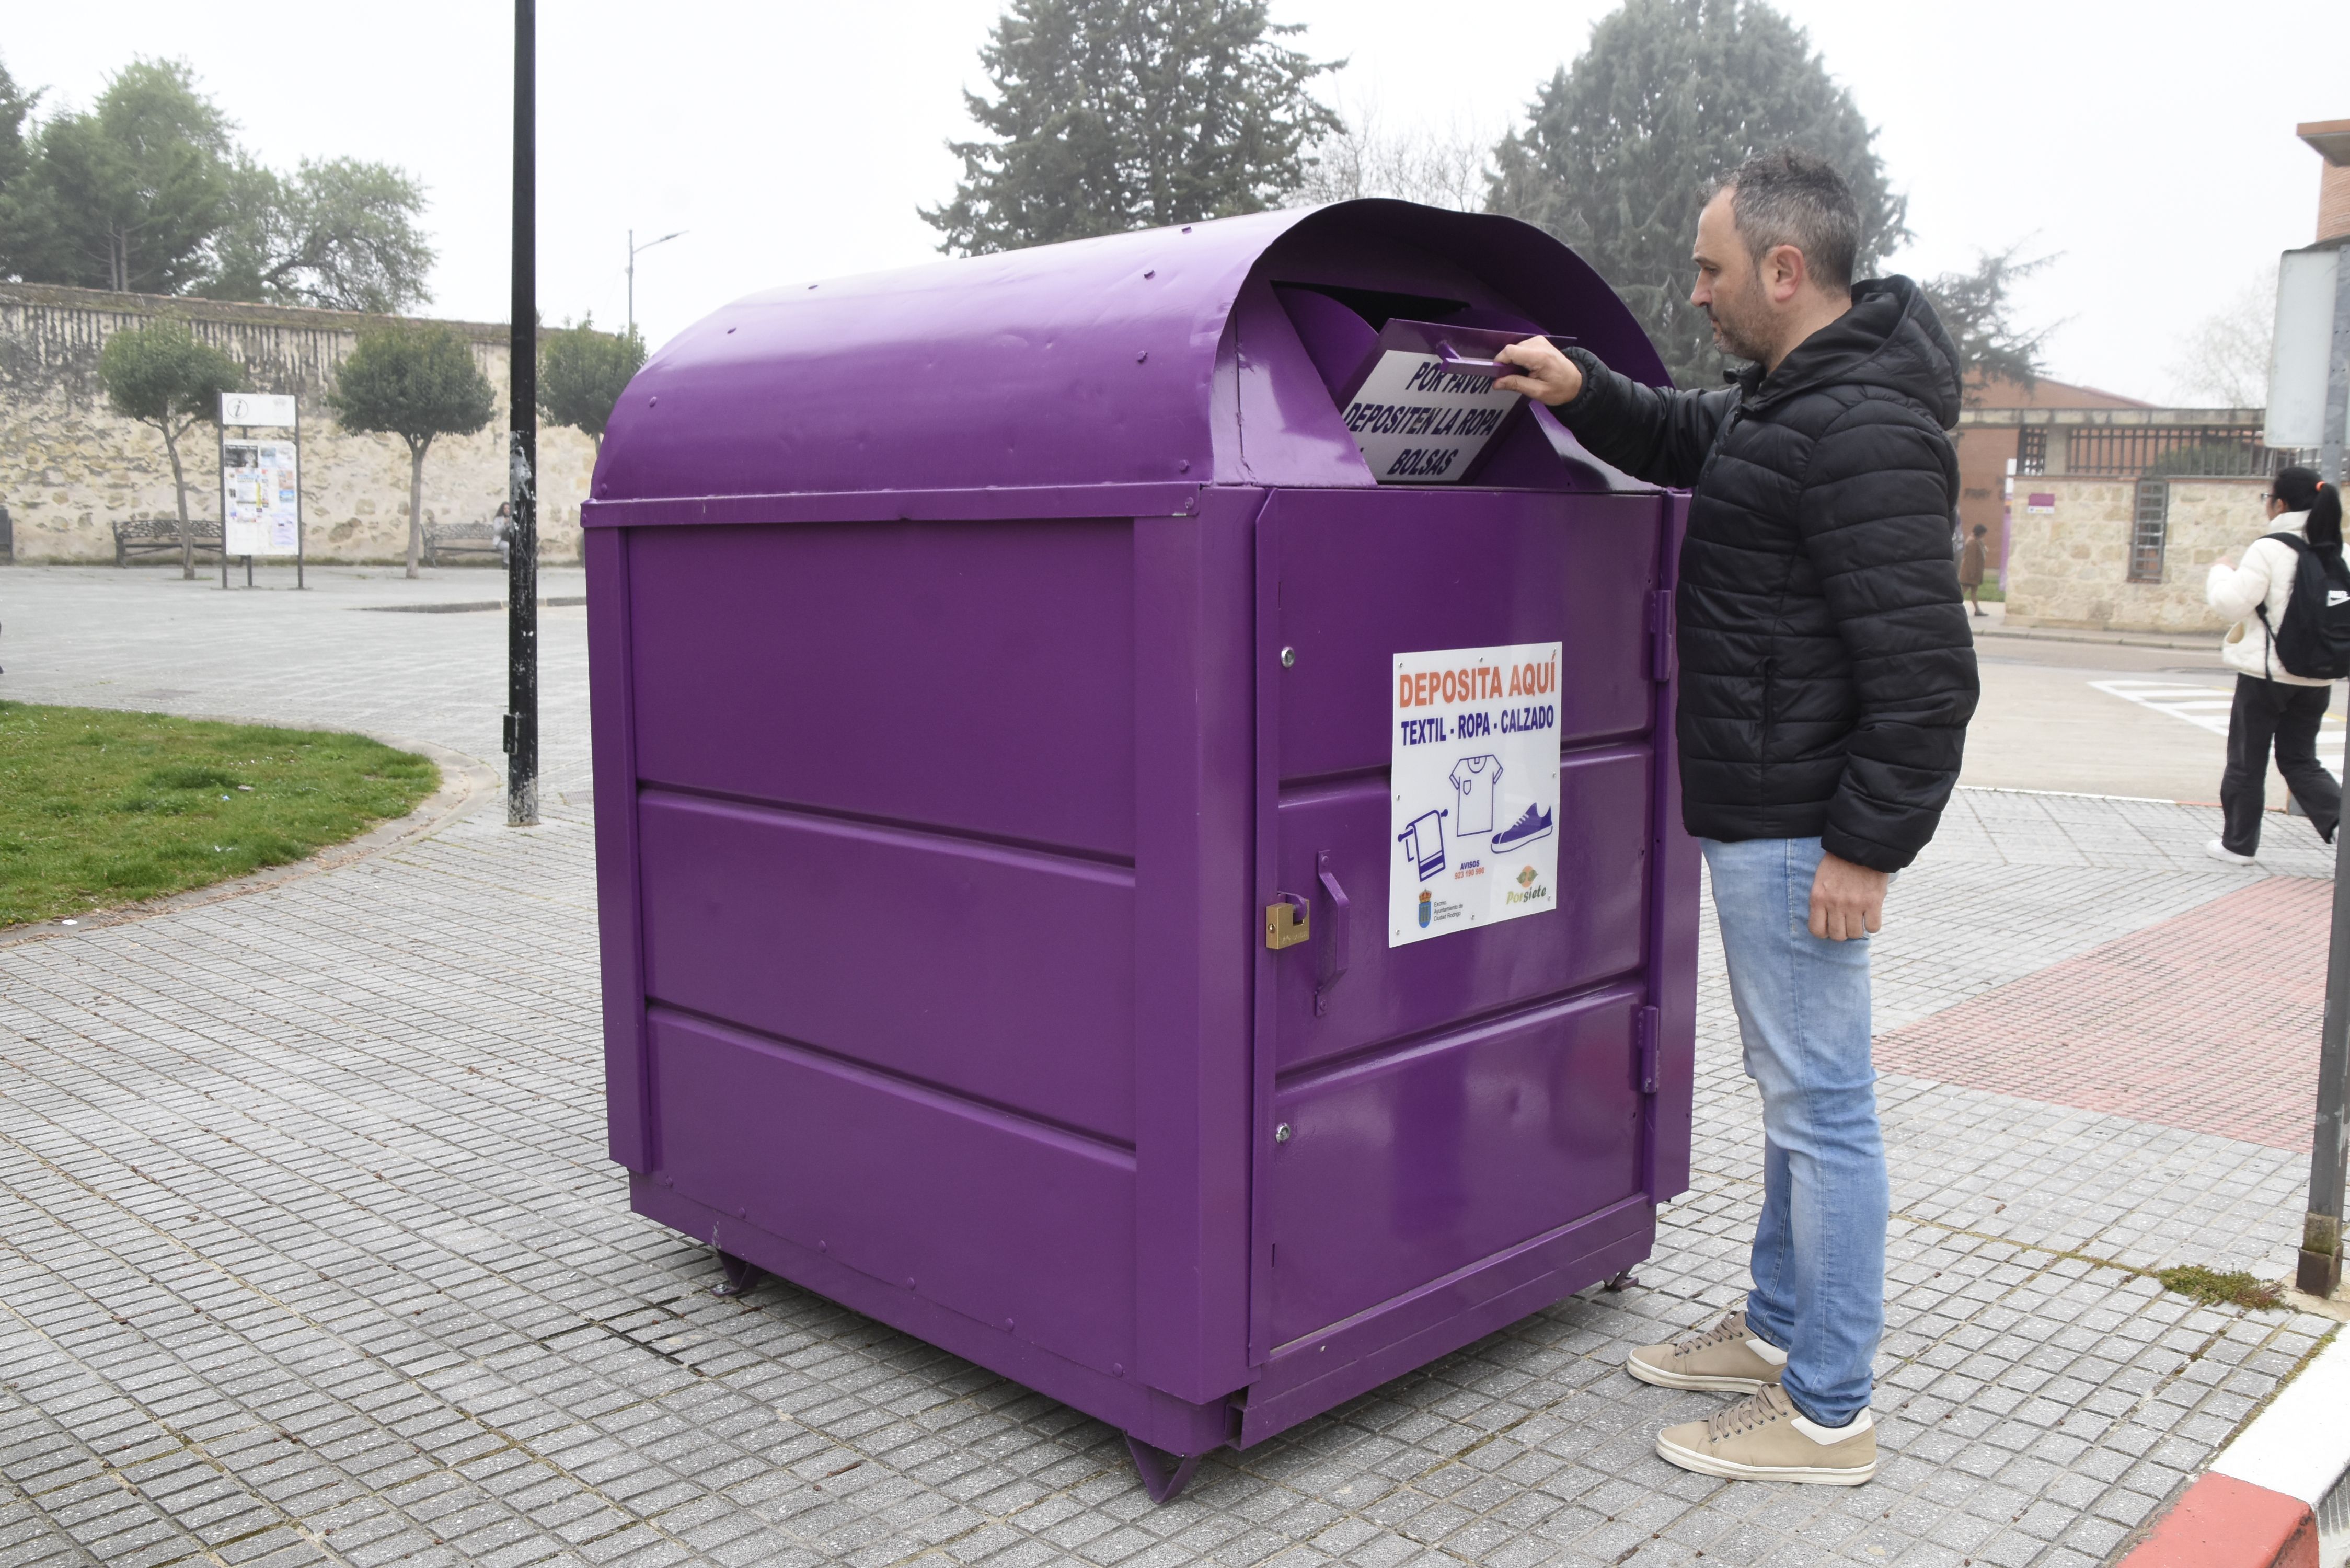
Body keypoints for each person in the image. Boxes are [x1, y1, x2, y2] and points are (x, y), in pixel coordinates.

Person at [1495, 148, 1978, 1487]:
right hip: (1763, 814)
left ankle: (1826, 1410)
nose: (1694, 290)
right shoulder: (1792, 402)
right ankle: (1773, 1329)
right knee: (1793, 1096)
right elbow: (1687, 437)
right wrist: (1581, 388)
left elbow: (1930, 675)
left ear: (1782, 269)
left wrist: (1865, 846)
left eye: (1711, 269)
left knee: (1824, 1108)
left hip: (1800, 832)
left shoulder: (1863, 428)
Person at [2203, 466, 2345, 864]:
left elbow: (2231, 603)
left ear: (2280, 504)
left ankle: (2238, 845)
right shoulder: (2339, 550)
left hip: (2266, 675)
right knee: (2301, 759)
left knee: (2248, 759)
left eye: (2268, 498)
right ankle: (2340, 829)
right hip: (2318, 677)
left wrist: (2220, 571)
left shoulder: (2269, 548)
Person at [1959, 524, 1990, 617]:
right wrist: (1972, 573)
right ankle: (1953, 604)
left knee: (1973, 591)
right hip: (1970, 572)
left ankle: (1977, 610)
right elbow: (1971, 559)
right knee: (1963, 591)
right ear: (1979, 533)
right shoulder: (1972, 542)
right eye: (1983, 533)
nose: (1984, 535)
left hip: (1974, 572)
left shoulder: (1977, 541)